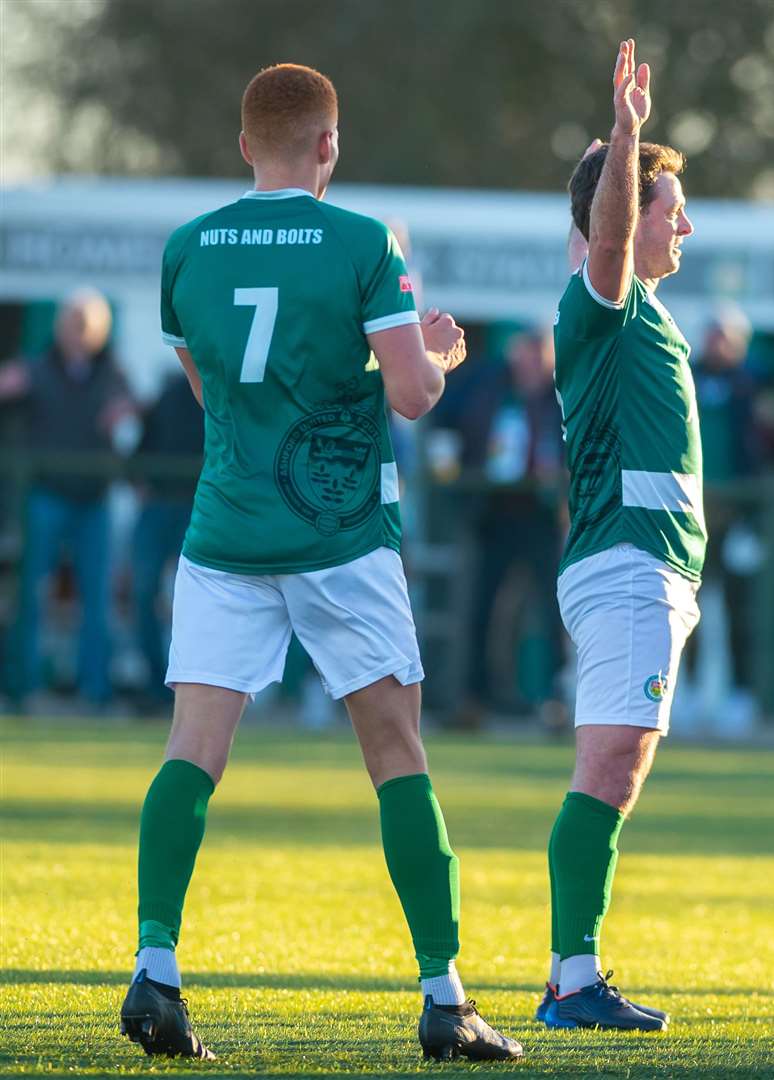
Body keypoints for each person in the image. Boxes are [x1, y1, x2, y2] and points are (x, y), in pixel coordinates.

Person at [118, 63, 518, 1062]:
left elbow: (209, 389)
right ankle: (443, 997)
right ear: (329, 146)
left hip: (225, 531)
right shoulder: (362, 242)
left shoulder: (187, 247)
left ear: (245, 142)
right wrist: (441, 350)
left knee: (190, 751)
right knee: (396, 755)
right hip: (338, 534)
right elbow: (416, 395)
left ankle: (155, 973)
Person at [538, 40, 700, 1033]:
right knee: (610, 766)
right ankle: (572, 977)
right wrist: (627, 138)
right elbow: (600, 246)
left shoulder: (640, 314)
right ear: (621, 218)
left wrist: (625, 164)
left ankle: (573, 970)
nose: (685, 219)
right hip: (625, 566)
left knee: (615, 762)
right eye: (668, 201)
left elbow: (602, 237)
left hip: (645, 569)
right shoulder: (604, 302)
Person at [1, 288, 136, 709]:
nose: (78, 333)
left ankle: (95, 691)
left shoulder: (113, 375)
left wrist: (128, 415)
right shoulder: (36, 369)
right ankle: (22, 687)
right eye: (72, 324)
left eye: (86, 325)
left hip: (93, 500)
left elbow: (132, 421)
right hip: (44, 496)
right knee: (30, 594)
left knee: (97, 599)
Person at [453, 328, 567, 726]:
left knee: (553, 611)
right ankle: (475, 698)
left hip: (543, 514)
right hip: (495, 511)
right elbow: (461, 431)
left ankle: (555, 699)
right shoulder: (490, 390)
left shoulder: (560, 398)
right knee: (483, 608)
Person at [692, 304, 764, 710]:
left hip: (736, 514)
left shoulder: (750, 385)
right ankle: (686, 691)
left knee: (738, 609)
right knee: (686, 606)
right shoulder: (686, 371)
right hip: (689, 512)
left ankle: (740, 693)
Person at [130, 370, 205, 713]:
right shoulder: (170, 390)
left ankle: (195, 689)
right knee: (145, 593)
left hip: (200, 507)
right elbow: (142, 448)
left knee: (199, 602)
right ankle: (157, 685)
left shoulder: (228, 384)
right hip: (164, 504)